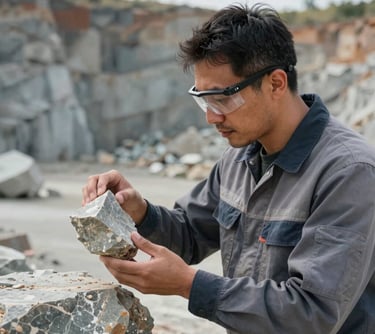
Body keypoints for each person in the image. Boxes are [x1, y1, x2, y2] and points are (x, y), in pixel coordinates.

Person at [82, 3, 375, 334]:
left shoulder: (349, 172)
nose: (211, 117)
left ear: (276, 83)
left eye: (222, 99)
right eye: (204, 100)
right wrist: (140, 212)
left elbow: (313, 312)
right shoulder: (239, 157)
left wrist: (190, 286)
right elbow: (191, 235)